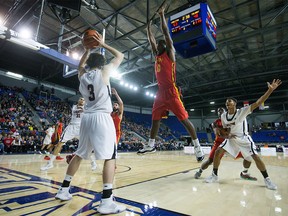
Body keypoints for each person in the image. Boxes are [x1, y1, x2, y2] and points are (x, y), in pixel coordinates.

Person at [55, 36, 126, 214]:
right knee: (110, 157)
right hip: (102, 117)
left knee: (79, 154)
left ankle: (64, 189)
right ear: (102, 64)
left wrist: (87, 50)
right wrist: (102, 44)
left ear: (88, 64)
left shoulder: (83, 76)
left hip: (86, 118)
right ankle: (106, 201)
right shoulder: (105, 71)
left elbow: (80, 67)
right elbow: (120, 55)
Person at [137, 6, 204, 162]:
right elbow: (151, 40)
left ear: (165, 47)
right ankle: (151, 145)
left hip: (172, 91)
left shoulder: (170, 53)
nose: (157, 47)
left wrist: (161, 16)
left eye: (160, 45)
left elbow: (166, 34)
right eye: (158, 46)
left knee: (184, 120)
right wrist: (148, 29)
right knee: (155, 118)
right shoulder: (157, 56)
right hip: (160, 92)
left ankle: (198, 148)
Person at [205, 79, 282, 190]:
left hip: (243, 138)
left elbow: (258, 102)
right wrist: (225, 134)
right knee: (218, 152)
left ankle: (267, 180)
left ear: (235, 104)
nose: (227, 102)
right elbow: (226, 130)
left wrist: (269, 90)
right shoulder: (223, 116)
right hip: (232, 139)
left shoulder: (242, 111)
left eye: (230, 101)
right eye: (226, 102)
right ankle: (214, 175)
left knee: (255, 157)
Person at [194, 107, 257, 180]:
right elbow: (217, 133)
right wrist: (227, 135)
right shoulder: (215, 123)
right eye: (218, 111)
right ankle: (200, 171)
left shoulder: (231, 120)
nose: (220, 112)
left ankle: (244, 173)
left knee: (248, 157)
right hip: (219, 143)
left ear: (225, 112)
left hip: (232, 143)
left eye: (221, 111)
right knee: (210, 160)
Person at [40, 98, 87, 171]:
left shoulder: (86, 107)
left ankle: (93, 163)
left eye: (83, 100)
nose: (82, 100)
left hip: (81, 128)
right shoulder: (74, 106)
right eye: (80, 99)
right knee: (59, 144)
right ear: (78, 100)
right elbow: (79, 108)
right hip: (71, 127)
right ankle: (50, 163)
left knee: (87, 146)